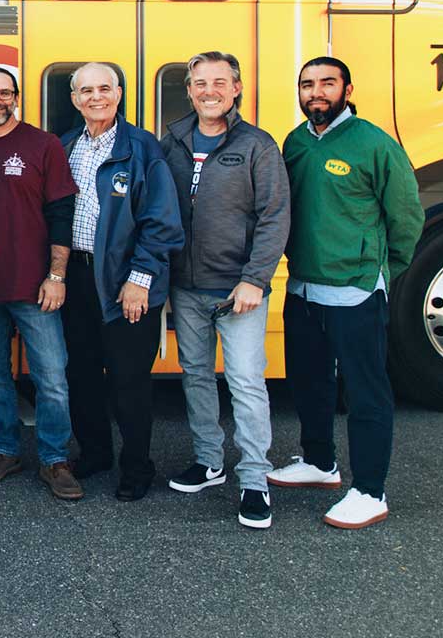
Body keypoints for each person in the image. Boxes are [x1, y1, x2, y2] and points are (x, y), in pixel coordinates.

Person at [269, 56, 424, 530]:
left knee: (365, 392)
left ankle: (370, 491)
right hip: (304, 288)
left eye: (327, 83)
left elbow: (407, 218)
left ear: (348, 89)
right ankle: (320, 463)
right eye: (307, 84)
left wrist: (379, 270)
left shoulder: (375, 145)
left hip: (355, 291)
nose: (316, 92)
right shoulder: (295, 143)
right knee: (309, 382)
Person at [158, 52, 290, 529]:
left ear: (236, 88)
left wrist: (255, 279)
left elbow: (275, 216)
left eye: (219, 81)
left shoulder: (256, 145)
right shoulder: (171, 143)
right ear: (189, 91)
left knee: (246, 382)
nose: (208, 90)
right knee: (194, 374)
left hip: (239, 291)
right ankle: (209, 461)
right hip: (187, 288)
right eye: (199, 83)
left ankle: (255, 480)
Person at [57, 62, 184, 501]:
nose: (96, 97)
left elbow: (162, 221)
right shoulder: (66, 146)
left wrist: (140, 279)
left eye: (104, 89)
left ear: (119, 93)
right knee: (82, 374)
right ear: (75, 99)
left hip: (125, 279)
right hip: (76, 276)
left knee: (129, 380)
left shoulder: (142, 148)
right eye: (86, 90)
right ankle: (95, 454)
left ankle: (137, 467)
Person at [0, 67, 83, 500]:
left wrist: (57, 275)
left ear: (16, 97)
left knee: (51, 377)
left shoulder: (43, 145)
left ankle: (54, 458)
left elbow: (62, 214)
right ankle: (5, 449)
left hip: (36, 285)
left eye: (4, 93)